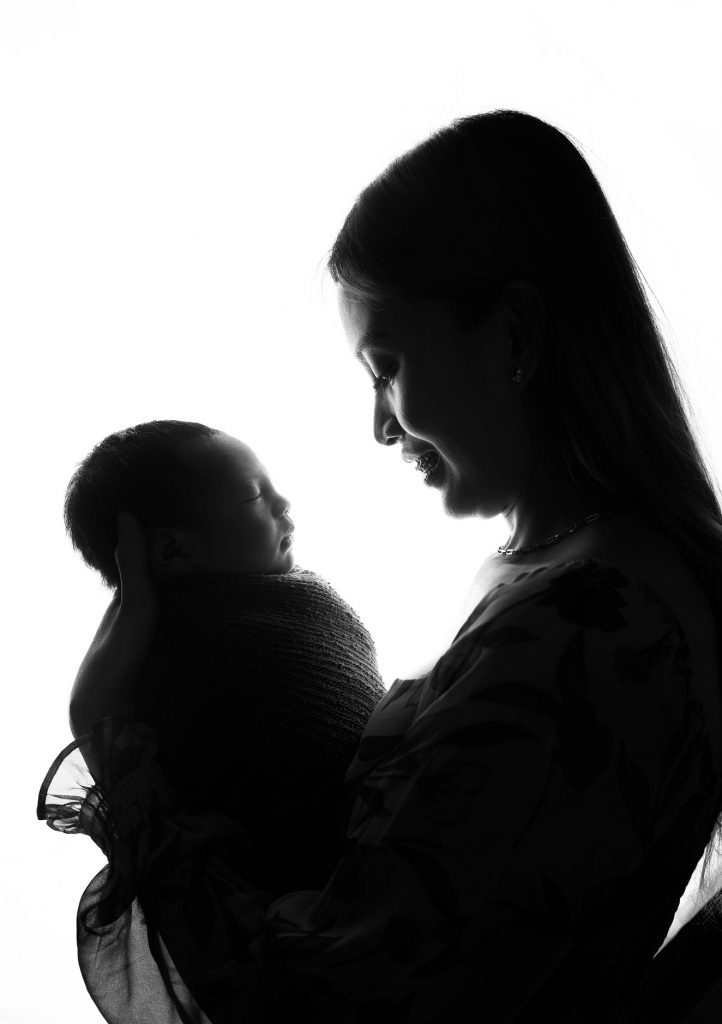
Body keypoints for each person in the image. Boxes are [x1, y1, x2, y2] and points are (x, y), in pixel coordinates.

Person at [38, 109, 722, 1022]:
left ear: (514, 337)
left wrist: (111, 737)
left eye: (387, 366)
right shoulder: (563, 582)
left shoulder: (594, 626)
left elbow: (324, 1001)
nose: (381, 425)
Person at [41, 419, 386, 894]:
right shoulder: (188, 653)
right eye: (252, 495)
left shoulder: (295, 603)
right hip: (325, 885)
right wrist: (135, 609)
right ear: (173, 550)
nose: (283, 504)